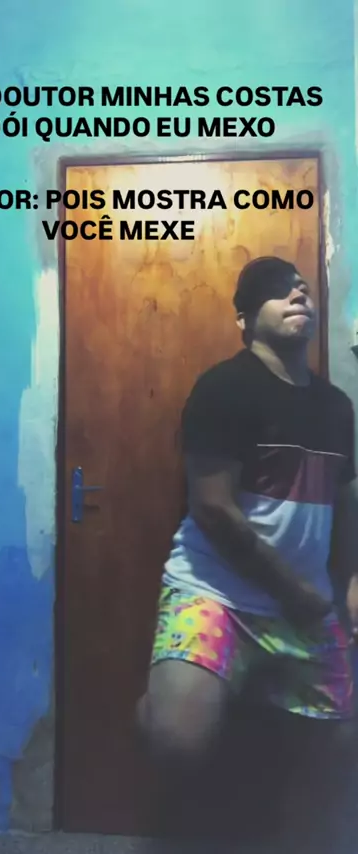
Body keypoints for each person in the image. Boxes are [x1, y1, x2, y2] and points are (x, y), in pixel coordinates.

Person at [136, 256, 358, 852]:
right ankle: (163, 703)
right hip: (218, 594)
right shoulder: (224, 388)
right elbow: (212, 508)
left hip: (305, 605)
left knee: (340, 750)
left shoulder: (337, 407)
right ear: (244, 319)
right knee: (179, 740)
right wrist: (295, 594)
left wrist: (352, 584)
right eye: (277, 290)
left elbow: (346, 504)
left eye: (302, 289)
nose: (297, 295)